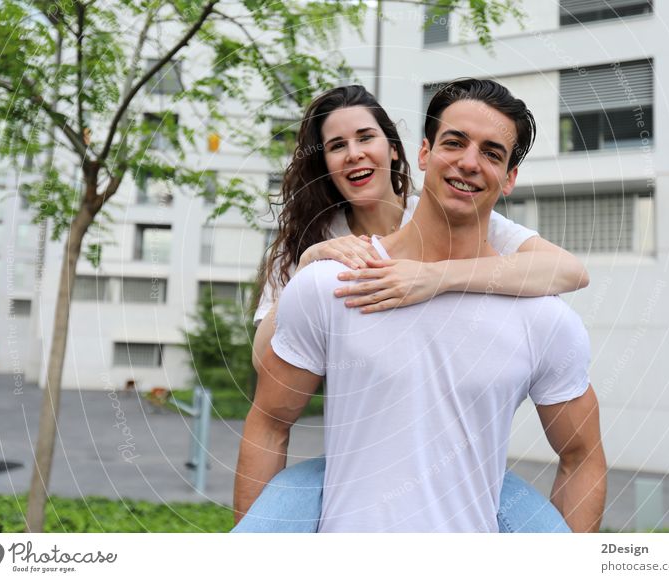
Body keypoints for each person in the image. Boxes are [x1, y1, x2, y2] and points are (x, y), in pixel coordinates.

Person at [233, 79, 606, 532]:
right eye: (455, 142)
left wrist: (435, 278)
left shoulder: (544, 316)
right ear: (426, 153)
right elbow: (269, 414)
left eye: (491, 153)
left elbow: (582, 453)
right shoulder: (328, 275)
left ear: (509, 179)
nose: (469, 163)